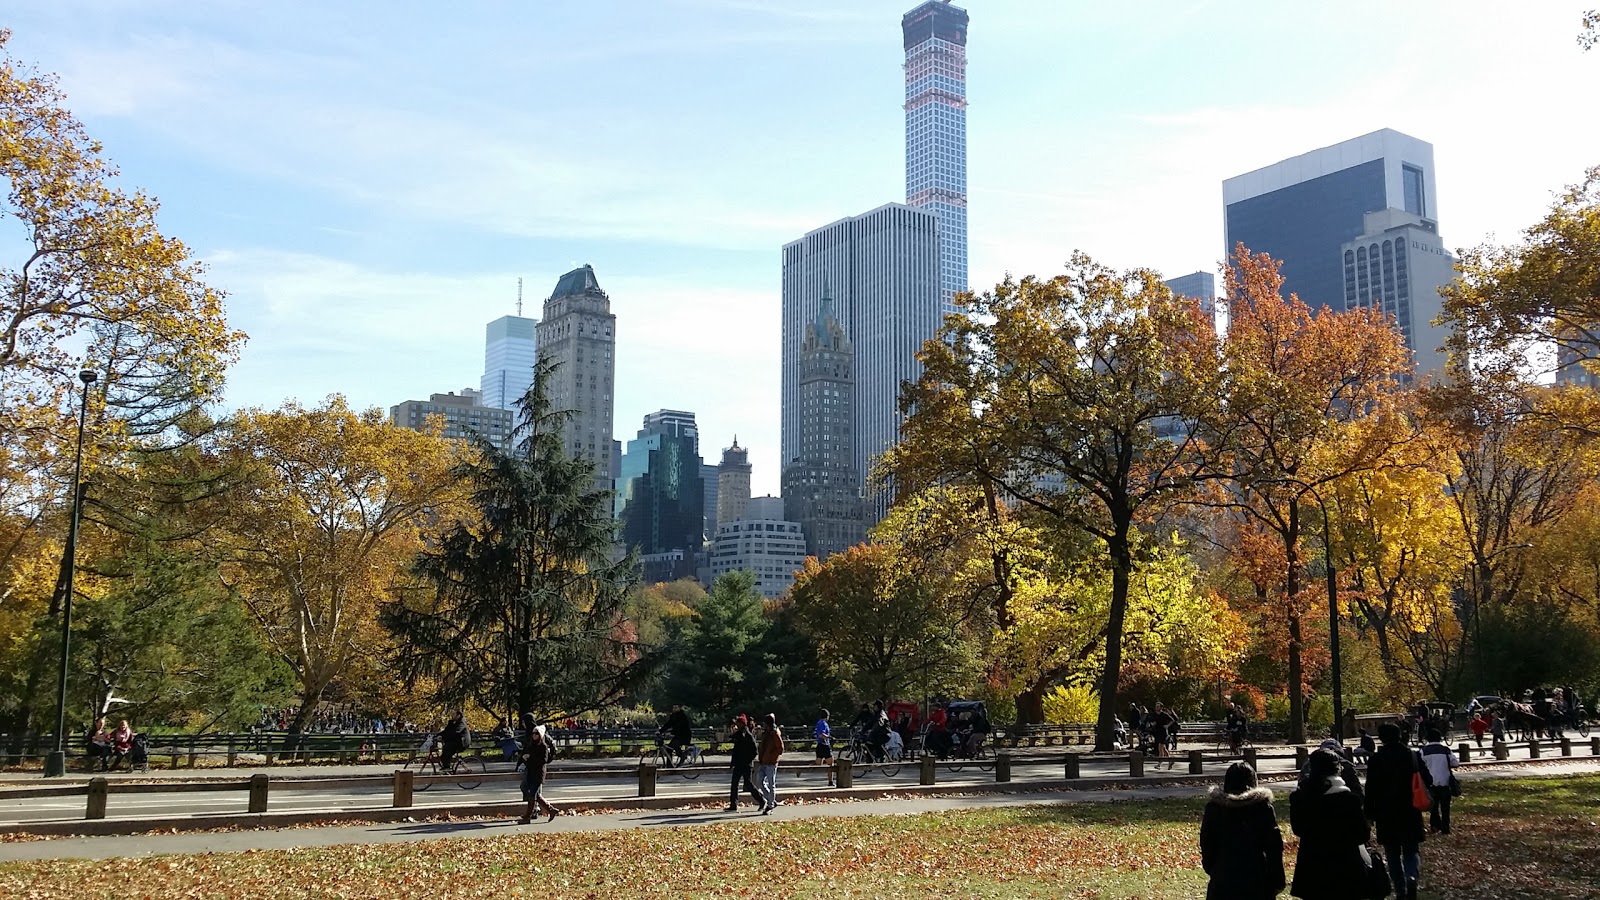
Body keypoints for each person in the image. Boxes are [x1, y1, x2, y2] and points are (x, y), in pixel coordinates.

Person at [1289, 748, 1374, 899]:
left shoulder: (1299, 797)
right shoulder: (1348, 799)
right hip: (1346, 865)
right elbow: (1362, 834)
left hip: (1313, 864)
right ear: (1337, 770)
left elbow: (1298, 829)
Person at [1200, 762, 1285, 900]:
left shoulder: (1215, 809)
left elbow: (1207, 843)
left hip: (1223, 876)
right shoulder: (1262, 808)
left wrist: (1214, 869)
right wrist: (1277, 880)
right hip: (1257, 876)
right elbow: (1273, 847)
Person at [1365, 722, 1429, 899]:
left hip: (1386, 812)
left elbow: (1370, 789)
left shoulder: (1376, 760)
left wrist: (1369, 813)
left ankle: (1400, 888)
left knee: (1392, 853)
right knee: (1411, 849)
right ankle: (1412, 876)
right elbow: (1427, 779)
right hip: (1410, 809)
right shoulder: (1412, 756)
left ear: (1381, 738)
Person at [517, 715, 561, 823]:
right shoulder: (532, 742)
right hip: (531, 771)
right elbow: (525, 752)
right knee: (534, 793)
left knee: (533, 794)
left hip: (538, 773)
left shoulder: (543, 746)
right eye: (533, 734)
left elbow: (542, 760)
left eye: (536, 734)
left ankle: (528, 816)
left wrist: (528, 759)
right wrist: (521, 762)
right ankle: (551, 810)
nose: (533, 735)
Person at [1420, 729, 1457, 835]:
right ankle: (1446, 827)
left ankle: (1435, 825)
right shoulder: (1445, 750)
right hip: (1445, 781)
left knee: (1433, 806)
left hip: (1430, 782)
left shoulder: (1423, 751)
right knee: (1446, 807)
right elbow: (1455, 763)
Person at [725, 716, 762, 812]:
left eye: (738, 723)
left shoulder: (748, 735)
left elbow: (754, 751)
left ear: (742, 724)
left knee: (748, 784)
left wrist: (748, 761)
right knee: (734, 784)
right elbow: (730, 738)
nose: (737, 724)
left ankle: (761, 800)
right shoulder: (739, 733)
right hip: (738, 763)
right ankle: (733, 804)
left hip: (745, 764)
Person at [756, 713, 784, 814]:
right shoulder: (766, 733)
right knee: (760, 781)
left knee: (771, 784)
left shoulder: (775, 733)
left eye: (765, 723)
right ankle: (771, 800)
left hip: (771, 763)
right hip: (763, 761)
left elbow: (780, 748)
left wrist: (772, 757)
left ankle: (770, 805)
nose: (763, 725)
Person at [814, 709, 834, 786]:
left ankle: (802, 770)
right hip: (824, 745)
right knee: (831, 764)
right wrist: (829, 737)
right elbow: (821, 734)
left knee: (818, 764)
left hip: (819, 745)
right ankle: (830, 781)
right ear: (827, 716)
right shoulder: (823, 724)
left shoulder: (819, 722)